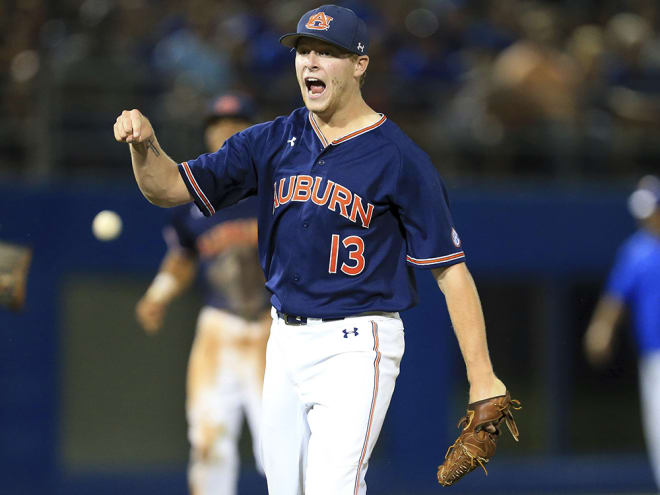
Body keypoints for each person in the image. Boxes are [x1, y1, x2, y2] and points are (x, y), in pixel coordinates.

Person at [115, 5, 510, 494]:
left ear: (360, 64)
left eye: (328, 52)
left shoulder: (400, 158)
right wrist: (144, 146)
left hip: (357, 342)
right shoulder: (271, 140)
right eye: (304, 50)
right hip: (282, 340)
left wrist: (482, 377)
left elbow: (451, 272)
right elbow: (169, 187)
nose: (311, 62)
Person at [134, 92, 270, 495]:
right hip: (218, 329)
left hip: (274, 330)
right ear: (208, 133)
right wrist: (158, 294)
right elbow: (181, 258)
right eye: (217, 124)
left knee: (281, 446)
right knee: (208, 444)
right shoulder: (193, 194)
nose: (226, 130)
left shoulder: (281, 188)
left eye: (236, 123)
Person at [584, 175, 660, 490]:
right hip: (655, 356)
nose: (647, 217)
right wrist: (600, 328)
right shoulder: (636, 251)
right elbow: (615, 299)